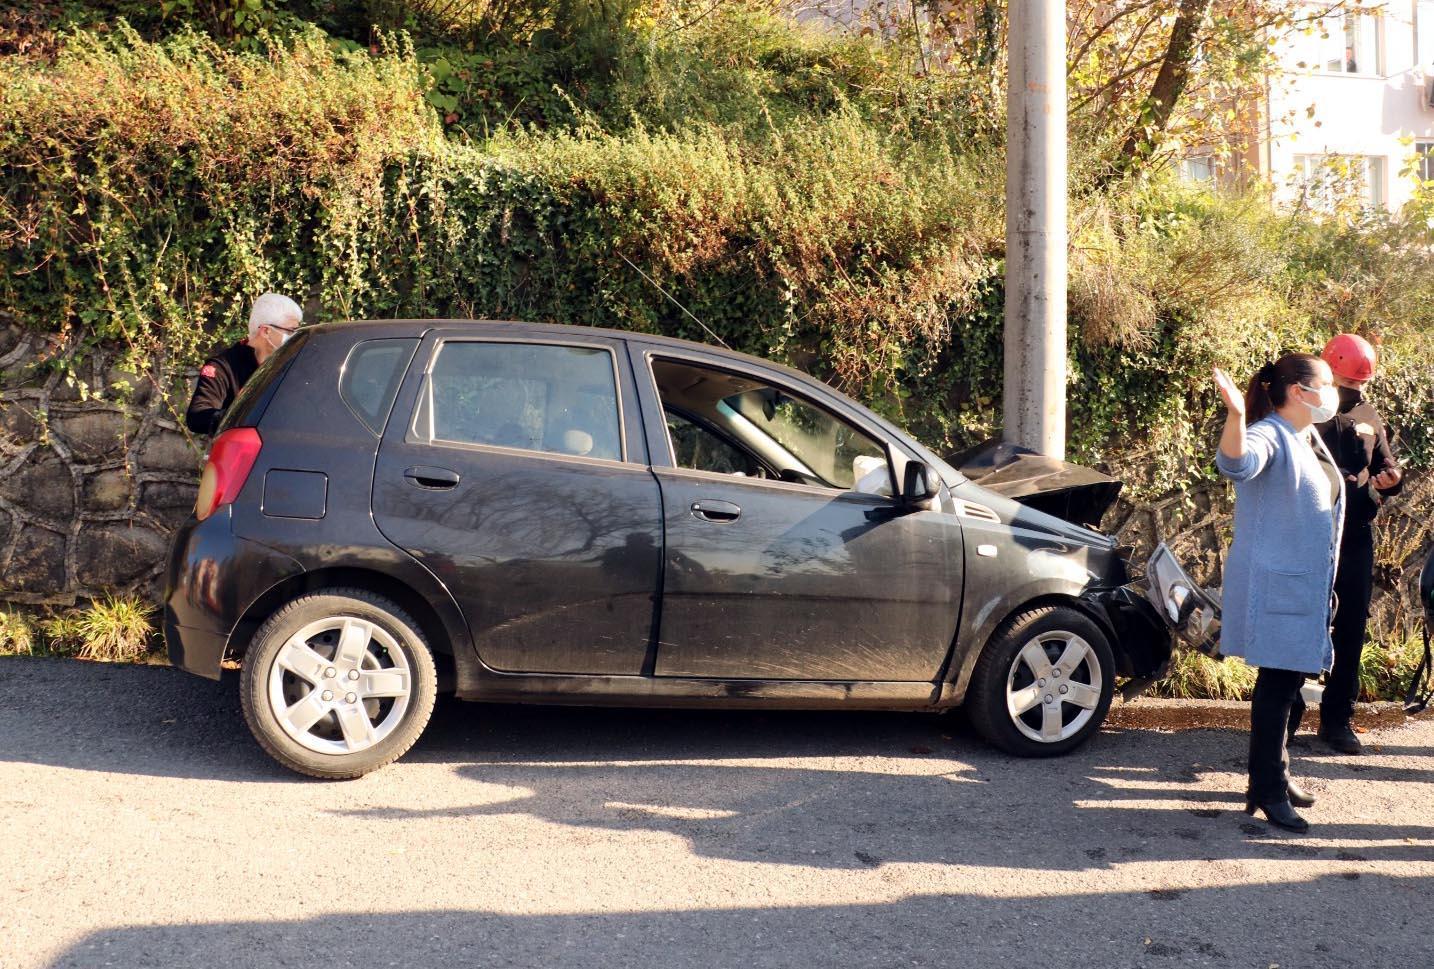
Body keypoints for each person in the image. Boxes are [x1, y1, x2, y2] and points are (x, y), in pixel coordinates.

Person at [1213, 353, 1344, 833]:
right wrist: (1236, 417)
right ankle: (1266, 788)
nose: (1332, 391)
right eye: (1325, 383)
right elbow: (1237, 463)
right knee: (1278, 688)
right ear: (1297, 391)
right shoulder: (1270, 432)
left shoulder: (1304, 436)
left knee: (1291, 690)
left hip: (1301, 583)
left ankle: (1275, 776)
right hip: (1278, 583)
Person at [1312, 333, 1404, 753]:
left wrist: (1392, 480)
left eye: (1359, 385)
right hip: (1312, 534)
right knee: (1304, 622)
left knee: (1350, 628)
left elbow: (1386, 465)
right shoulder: (1309, 409)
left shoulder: (1369, 414)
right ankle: (1286, 717)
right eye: (1348, 384)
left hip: (1356, 536)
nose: (1354, 392)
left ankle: (1337, 722)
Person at [185, 292, 303, 435]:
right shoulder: (223, 366)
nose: (295, 337)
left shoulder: (294, 364)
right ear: (266, 331)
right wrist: (243, 416)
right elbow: (197, 416)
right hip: (241, 450)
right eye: (291, 331)